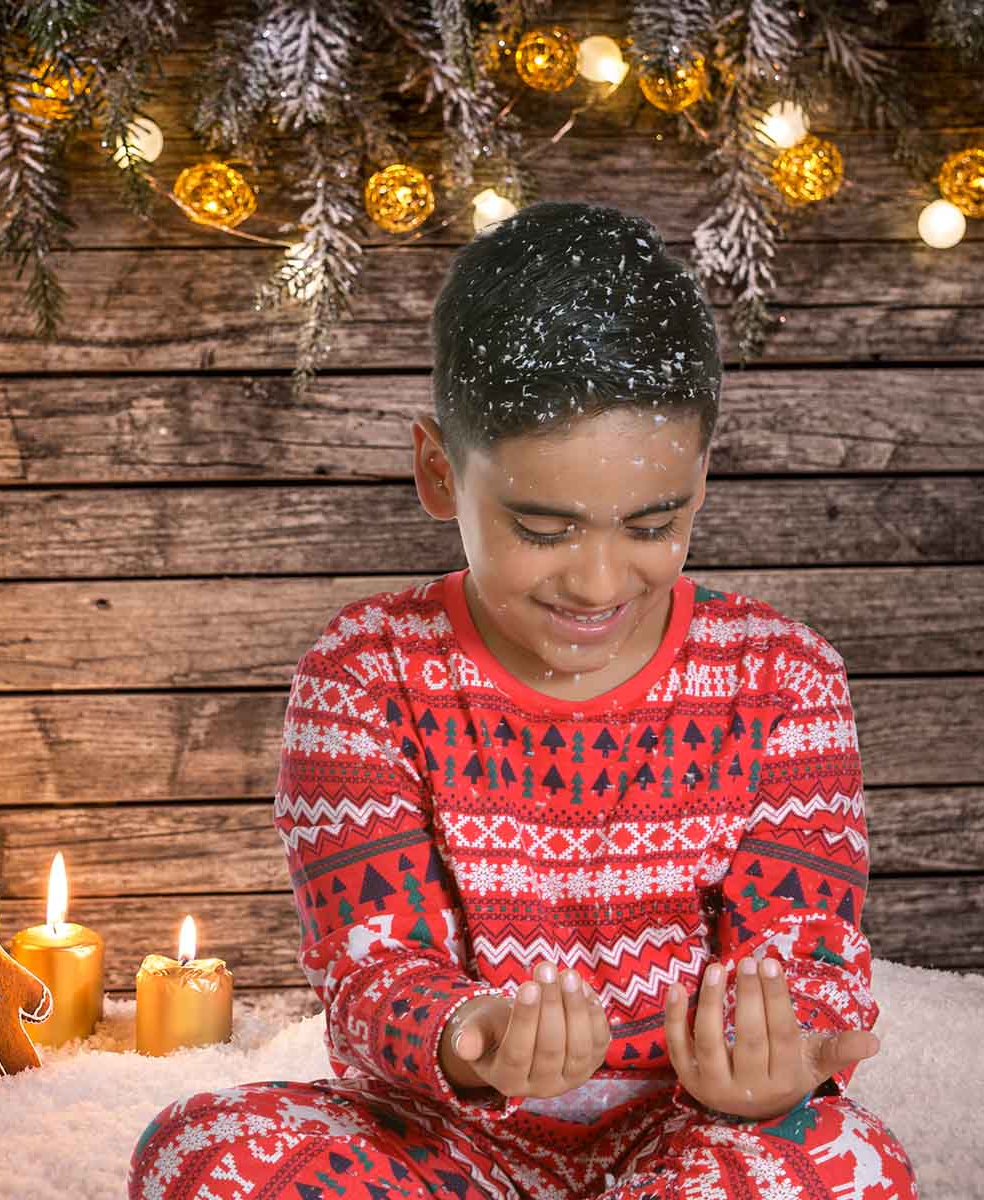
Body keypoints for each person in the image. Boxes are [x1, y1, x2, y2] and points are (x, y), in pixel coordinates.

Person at [129, 201, 917, 1199]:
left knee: (845, 1169)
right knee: (207, 1151)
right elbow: (372, 973)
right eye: (543, 529)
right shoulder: (364, 672)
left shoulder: (781, 678)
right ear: (435, 472)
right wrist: (468, 1035)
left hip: (690, 1138)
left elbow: (809, 961)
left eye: (651, 524)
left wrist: (769, 1065)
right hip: (442, 1141)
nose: (596, 582)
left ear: (699, 483)